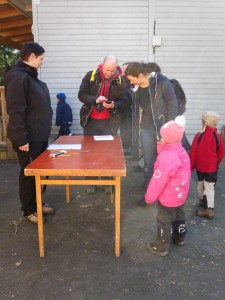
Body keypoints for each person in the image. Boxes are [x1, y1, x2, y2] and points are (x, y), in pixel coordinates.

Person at [3, 42, 54, 224]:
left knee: (41, 172)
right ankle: (29, 210)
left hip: (39, 136)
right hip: (28, 138)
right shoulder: (19, 77)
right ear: (31, 56)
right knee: (29, 174)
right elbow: (15, 111)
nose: (42, 62)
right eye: (41, 58)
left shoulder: (31, 77)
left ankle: (38, 203)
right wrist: (22, 139)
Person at [125, 62, 178, 206]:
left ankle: (166, 192)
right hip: (146, 128)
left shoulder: (162, 82)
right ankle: (150, 194)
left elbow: (172, 104)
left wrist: (167, 131)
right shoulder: (134, 88)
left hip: (163, 129)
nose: (131, 82)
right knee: (149, 164)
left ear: (141, 75)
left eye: (132, 79)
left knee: (165, 164)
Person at [78, 55, 128, 194]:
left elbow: (124, 102)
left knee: (108, 154)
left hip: (109, 123)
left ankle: (107, 182)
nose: (109, 73)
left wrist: (113, 105)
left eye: (112, 71)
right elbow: (81, 95)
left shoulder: (120, 80)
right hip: (91, 122)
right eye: (107, 70)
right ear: (101, 65)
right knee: (90, 153)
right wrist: (95, 99)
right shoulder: (91, 75)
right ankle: (91, 182)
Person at [145, 116, 191, 257]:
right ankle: (179, 238)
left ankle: (161, 247)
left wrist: (149, 197)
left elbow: (158, 180)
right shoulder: (181, 151)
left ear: (168, 138)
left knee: (164, 220)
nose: (160, 138)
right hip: (180, 194)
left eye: (162, 136)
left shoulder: (167, 157)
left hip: (168, 197)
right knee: (179, 215)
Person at [189, 111, 224, 219]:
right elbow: (221, 152)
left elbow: (193, 152)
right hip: (211, 168)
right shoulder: (218, 137)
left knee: (200, 184)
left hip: (200, 167)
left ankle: (207, 208)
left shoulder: (198, 136)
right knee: (209, 187)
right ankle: (208, 205)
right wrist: (216, 162)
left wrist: (192, 165)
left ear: (204, 123)